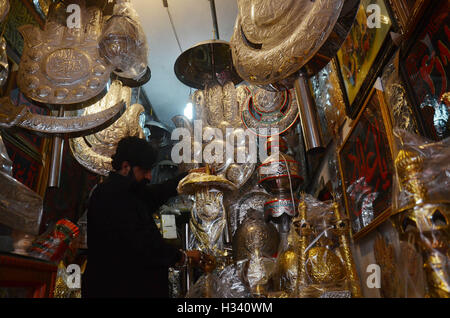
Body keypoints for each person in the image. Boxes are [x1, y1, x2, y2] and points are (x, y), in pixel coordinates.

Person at [82, 137, 208, 298]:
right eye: (144, 170)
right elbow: (142, 244)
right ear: (126, 166)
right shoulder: (111, 196)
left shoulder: (128, 192)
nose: (149, 176)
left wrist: (187, 177)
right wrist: (182, 256)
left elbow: (156, 193)